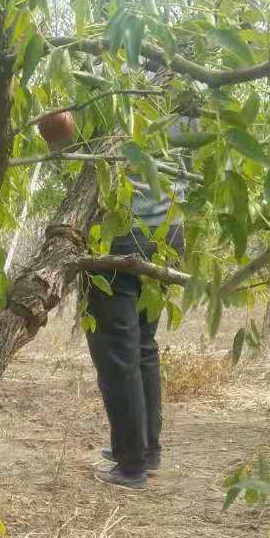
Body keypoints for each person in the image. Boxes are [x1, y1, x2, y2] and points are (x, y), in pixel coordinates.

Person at [86, 119, 192, 491]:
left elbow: (69, 138)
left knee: (117, 351)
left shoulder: (119, 76)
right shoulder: (188, 87)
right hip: (170, 232)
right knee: (143, 346)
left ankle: (131, 464)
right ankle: (145, 452)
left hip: (122, 229)